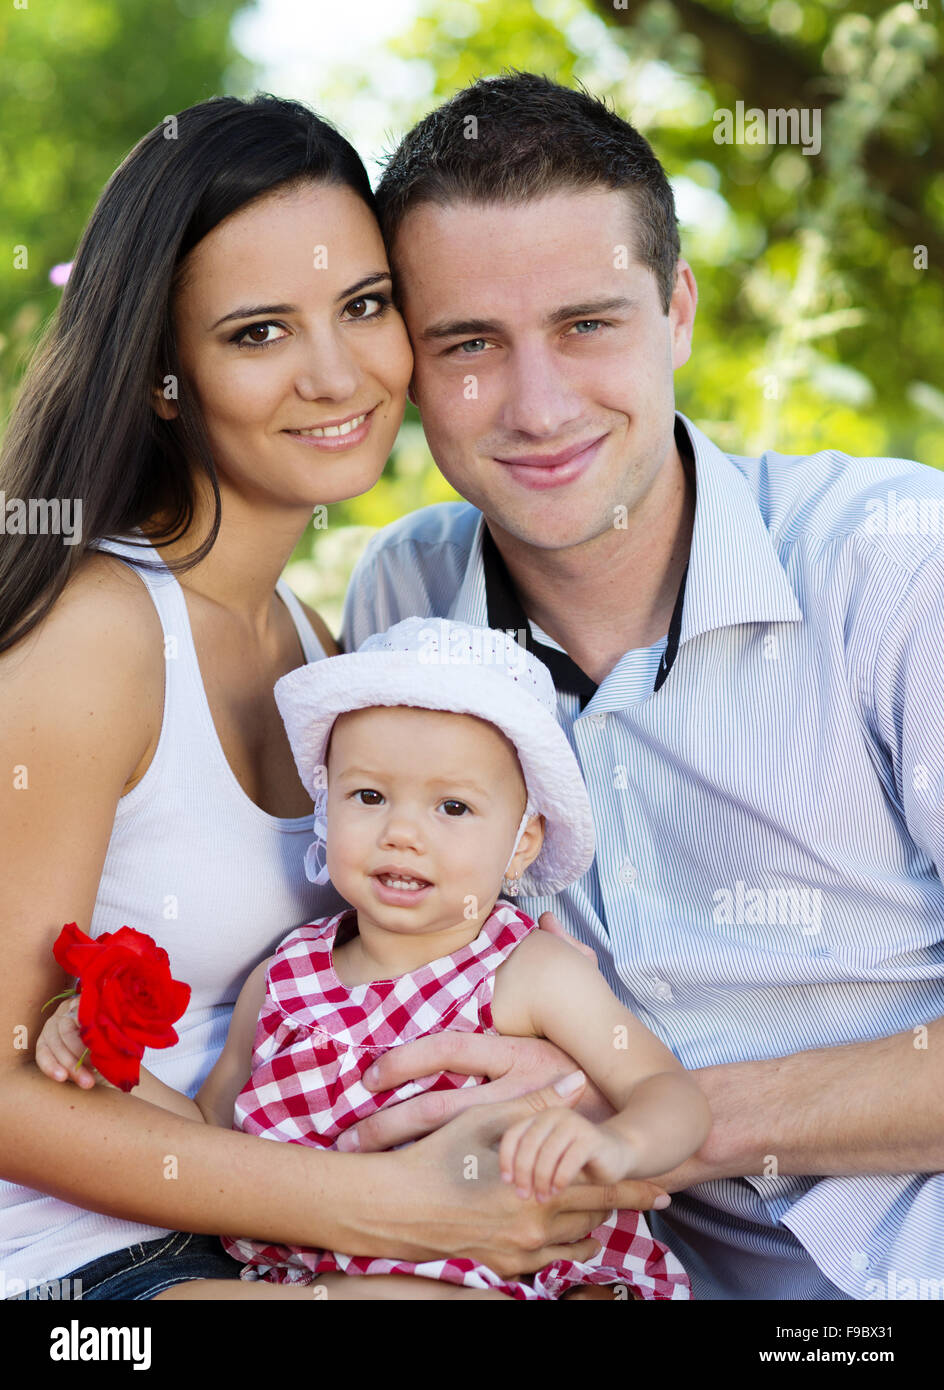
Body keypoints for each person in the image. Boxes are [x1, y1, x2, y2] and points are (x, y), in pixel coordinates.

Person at [0, 92, 667, 1303]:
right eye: (256, 332)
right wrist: (385, 1209)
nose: (335, 371)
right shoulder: (98, 631)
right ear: (163, 375)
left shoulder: (322, 645)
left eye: (362, 307)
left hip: (280, 1241)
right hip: (84, 1262)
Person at [339, 72, 944, 1301]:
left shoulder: (897, 564)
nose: (538, 403)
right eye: (467, 344)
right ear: (406, 365)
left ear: (673, 311)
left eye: (586, 323)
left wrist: (646, 1116)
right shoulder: (401, 603)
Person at [36, 617, 710, 1300]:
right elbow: (216, 1131)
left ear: (522, 843)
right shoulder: (284, 980)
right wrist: (109, 1060)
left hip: (521, 1269)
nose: (402, 834)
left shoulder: (526, 971)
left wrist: (618, 1146)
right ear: (325, 807)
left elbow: (667, 1092)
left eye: (453, 806)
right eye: (369, 796)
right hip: (337, 1275)